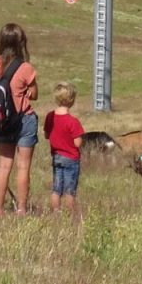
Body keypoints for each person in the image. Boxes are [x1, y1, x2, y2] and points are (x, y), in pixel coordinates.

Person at [0, 22, 39, 216]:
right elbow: (34, 94)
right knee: (23, 166)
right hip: (23, 118)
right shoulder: (25, 67)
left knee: (4, 165)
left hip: (2, 120)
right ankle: (21, 208)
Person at [43, 81, 85, 217]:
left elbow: (46, 135)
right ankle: (71, 213)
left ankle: (56, 212)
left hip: (56, 157)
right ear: (72, 100)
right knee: (69, 190)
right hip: (71, 159)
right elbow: (78, 143)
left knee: (56, 189)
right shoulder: (73, 121)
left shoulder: (50, 116)